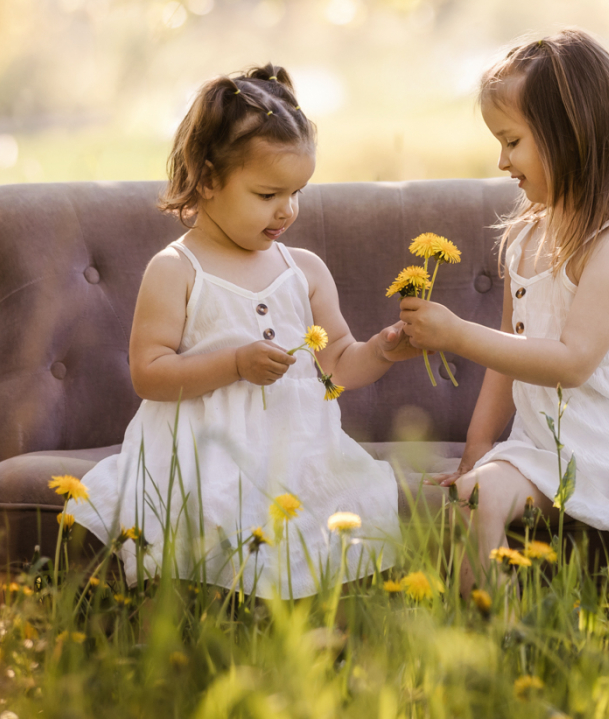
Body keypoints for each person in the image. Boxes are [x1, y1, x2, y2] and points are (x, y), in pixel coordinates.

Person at [65, 65, 413, 595]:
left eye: (297, 192)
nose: (287, 210)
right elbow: (149, 374)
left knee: (345, 513)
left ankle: (319, 633)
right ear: (207, 180)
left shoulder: (304, 271)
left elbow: (339, 361)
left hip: (299, 451)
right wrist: (233, 364)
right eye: (268, 194)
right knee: (214, 530)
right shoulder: (177, 269)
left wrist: (384, 350)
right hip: (208, 452)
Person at [396, 29, 609, 573]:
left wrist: (456, 335)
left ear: (571, 135)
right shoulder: (524, 237)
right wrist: (477, 452)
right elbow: (508, 357)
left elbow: (572, 362)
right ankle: (487, 625)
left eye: (512, 141)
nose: (501, 160)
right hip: (549, 443)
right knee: (473, 499)